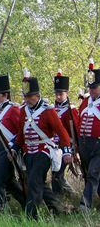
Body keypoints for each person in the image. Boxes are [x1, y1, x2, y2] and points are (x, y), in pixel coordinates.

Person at [11, 76, 71, 220]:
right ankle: (58, 209)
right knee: (38, 182)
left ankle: (31, 216)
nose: (27, 99)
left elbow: (61, 131)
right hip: (28, 153)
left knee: (34, 182)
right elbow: (21, 133)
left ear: (38, 96)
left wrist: (66, 152)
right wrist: (15, 148)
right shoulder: (24, 111)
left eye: (29, 96)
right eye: (25, 97)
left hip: (44, 152)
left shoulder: (48, 111)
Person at [0, 72, 25, 210]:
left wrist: (13, 146)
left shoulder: (13, 109)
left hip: (8, 150)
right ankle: (26, 203)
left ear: (5, 95)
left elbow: (20, 131)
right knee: (9, 181)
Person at [51, 69, 78, 196]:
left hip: (66, 145)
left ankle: (59, 195)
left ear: (67, 93)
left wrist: (74, 149)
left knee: (58, 172)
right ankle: (69, 194)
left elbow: (75, 130)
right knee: (56, 172)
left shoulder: (71, 110)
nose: (58, 96)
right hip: (54, 145)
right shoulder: (52, 109)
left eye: (61, 94)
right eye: (56, 94)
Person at [78, 59, 100, 210]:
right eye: (90, 88)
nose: (91, 90)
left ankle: (85, 204)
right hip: (84, 144)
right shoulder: (85, 102)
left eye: (95, 88)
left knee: (93, 173)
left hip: (99, 144)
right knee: (92, 174)